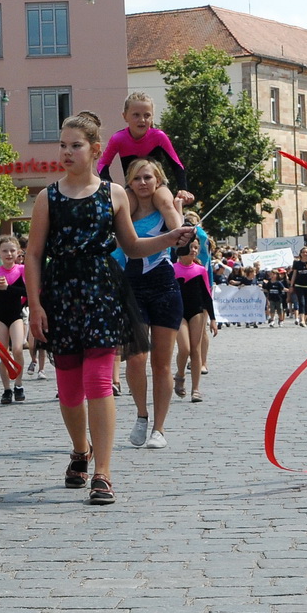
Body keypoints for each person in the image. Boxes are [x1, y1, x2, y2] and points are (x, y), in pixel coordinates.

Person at [24, 110, 192, 506]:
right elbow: (33, 255)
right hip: (61, 294)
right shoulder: (47, 197)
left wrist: (170, 237)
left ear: (96, 150)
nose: (66, 152)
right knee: (68, 388)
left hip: (103, 291)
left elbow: (132, 247)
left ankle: (103, 472)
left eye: (75, 145)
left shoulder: (115, 194)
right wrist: (34, 305)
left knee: (99, 382)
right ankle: (80, 451)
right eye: (62, 145)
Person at [118, 158, 185, 449]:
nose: (143, 183)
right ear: (130, 182)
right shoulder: (124, 214)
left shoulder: (164, 209)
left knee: (161, 363)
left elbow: (178, 233)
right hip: (132, 288)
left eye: (148, 177)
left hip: (164, 288)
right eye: (137, 178)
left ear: (158, 181)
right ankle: (141, 415)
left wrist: (181, 217)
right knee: (135, 358)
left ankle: (159, 428)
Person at [97, 92, 193, 205]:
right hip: (133, 187)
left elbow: (176, 165)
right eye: (136, 115)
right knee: (124, 207)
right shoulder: (118, 139)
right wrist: (111, 188)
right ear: (125, 116)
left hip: (157, 186)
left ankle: (179, 221)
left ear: (152, 117)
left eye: (147, 115)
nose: (142, 120)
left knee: (166, 203)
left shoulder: (159, 136)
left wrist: (183, 189)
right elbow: (102, 165)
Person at [0, 236, 28, 404]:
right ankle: (6, 389)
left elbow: (27, 292)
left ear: (18, 252)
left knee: (17, 349)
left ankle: (18, 384)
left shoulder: (22, 270)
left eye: (12, 250)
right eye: (5, 251)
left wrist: (7, 288)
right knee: (3, 352)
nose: (9, 254)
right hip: (0, 315)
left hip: (16, 315)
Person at [173, 238, 215, 402]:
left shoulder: (200, 270)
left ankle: (196, 389)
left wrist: (212, 319)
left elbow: (206, 295)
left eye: (196, 248)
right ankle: (180, 375)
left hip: (197, 311)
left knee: (196, 350)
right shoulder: (173, 269)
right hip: (179, 312)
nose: (194, 250)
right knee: (184, 348)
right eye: (191, 247)